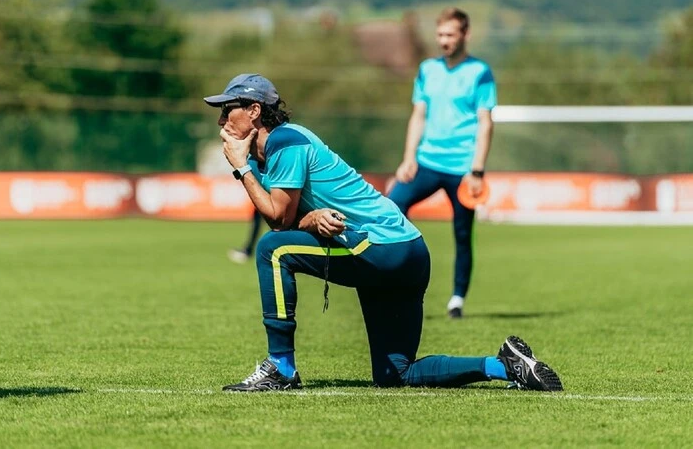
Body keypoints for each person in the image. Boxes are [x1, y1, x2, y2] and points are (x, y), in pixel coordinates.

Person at [204, 73, 561, 392]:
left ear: (253, 111)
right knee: (396, 374)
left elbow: (279, 222)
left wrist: (239, 168)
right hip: (410, 250)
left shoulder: (285, 141)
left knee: (272, 250)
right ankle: (505, 365)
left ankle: (280, 367)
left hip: (379, 249)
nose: (221, 119)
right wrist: (307, 218)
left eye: (227, 109)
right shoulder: (266, 154)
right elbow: (286, 218)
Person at [388, 8, 496, 319]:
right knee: (392, 208)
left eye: (450, 35)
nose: (444, 41)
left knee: (463, 234)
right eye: (440, 35)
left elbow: (485, 123)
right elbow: (418, 116)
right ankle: (397, 283)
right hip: (426, 161)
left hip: (463, 169)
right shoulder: (427, 70)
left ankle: (457, 300)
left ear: (465, 35)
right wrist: (408, 158)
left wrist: (477, 170)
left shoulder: (480, 73)